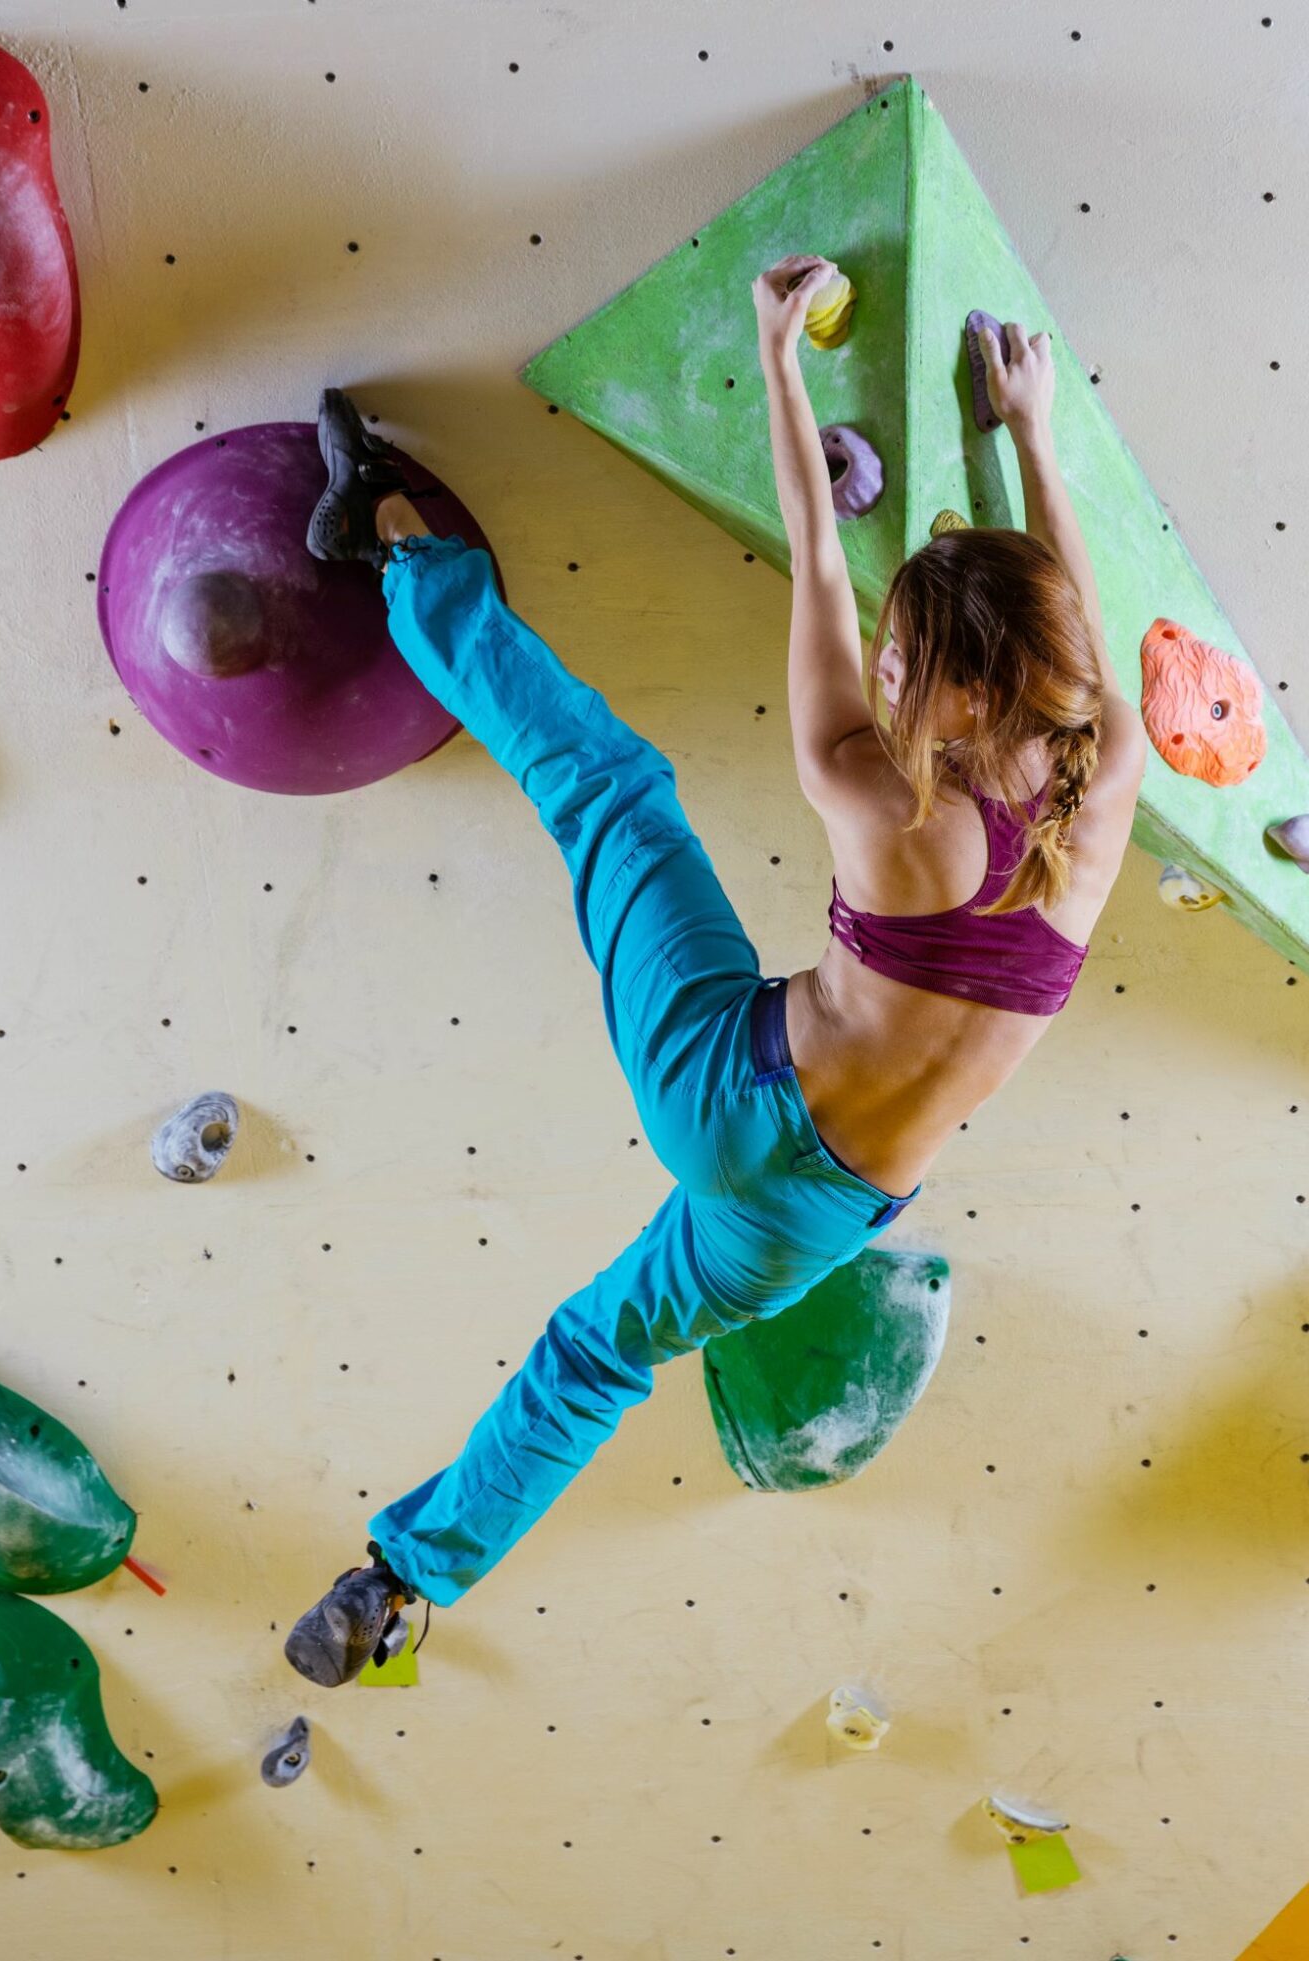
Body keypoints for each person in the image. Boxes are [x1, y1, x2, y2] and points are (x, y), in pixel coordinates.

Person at [283, 254, 1147, 1685]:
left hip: (727, 1078)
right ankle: (402, 1580)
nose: (881, 672)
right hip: (817, 1218)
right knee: (598, 1354)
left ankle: (389, 540)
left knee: (612, 790)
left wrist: (787, 360)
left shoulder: (881, 798)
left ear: (965, 698)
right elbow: (1081, 640)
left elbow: (817, 551)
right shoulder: (1105, 781)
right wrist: (1032, 443)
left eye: (903, 659)